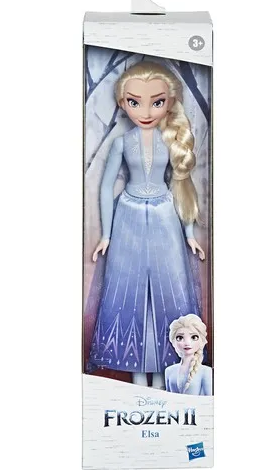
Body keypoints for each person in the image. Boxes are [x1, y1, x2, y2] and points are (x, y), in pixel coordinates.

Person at [88, 61, 205, 388]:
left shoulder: (171, 140)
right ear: (122, 103)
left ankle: (166, 377)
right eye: (134, 102)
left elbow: (182, 184)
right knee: (129, 291)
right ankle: (137, 378)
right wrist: (106, 234)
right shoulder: (122, 142)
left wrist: (189, 233)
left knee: (169, 290)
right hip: (128, 217)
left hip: (166, 216)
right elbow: (105, 187)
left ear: (170, 102)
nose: (146, 111)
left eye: (157, 102)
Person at [164, 314, 212, 395]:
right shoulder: (169, 371)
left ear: (202, 341)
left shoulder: (206, 371)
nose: (187, 343)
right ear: (173, 342)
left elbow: (208, 399)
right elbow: (167, 398)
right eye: (180, 338)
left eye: (194, 337)